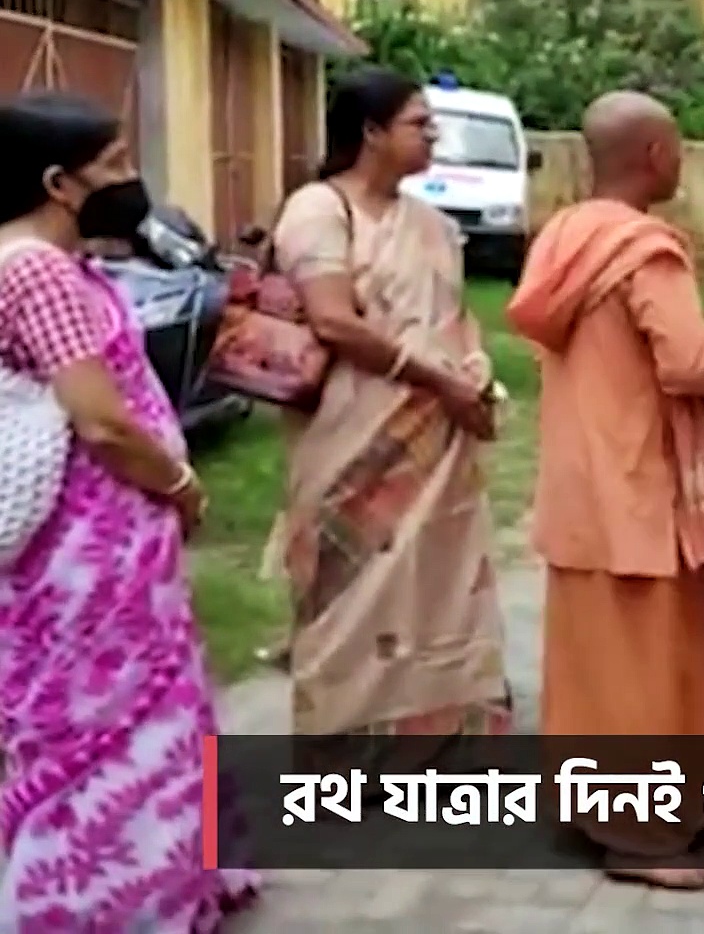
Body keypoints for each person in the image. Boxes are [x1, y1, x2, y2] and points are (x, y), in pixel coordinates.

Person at [0, 92, 259, 929]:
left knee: (148, 708)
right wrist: (180, 484)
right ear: (58, 183)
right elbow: (102, 421)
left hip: (110, 545)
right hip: (82, 552)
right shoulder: (32, 267)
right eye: (113, 162)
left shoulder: (58, 260)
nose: (132, 177)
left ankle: (166, 883)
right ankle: (96, 904)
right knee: (97, 723)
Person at [505, 91, 704, 889]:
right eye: (676, 147)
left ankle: (593, 812)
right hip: (642, 483)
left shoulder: (566, 236)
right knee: (648, 661)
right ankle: (642, 839)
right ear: (652, 155)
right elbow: (687, 362)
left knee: (590, 659)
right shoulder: (646, 250)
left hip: (580, 479)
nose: (679, 161)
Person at [272, 67, 512, 766]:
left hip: (438, 435)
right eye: (419, 122)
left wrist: (475, 372)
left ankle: (435, 743)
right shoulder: (319, 210)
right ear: (372, 132)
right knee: (349, 598)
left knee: (437, 583)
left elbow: (456, 318)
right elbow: (334, 322)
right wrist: (437, 378)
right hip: (354, 435)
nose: (433, 134)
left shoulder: (432, 224)